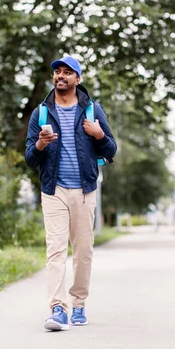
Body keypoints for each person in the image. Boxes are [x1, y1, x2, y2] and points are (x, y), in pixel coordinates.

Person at [25, 56, 117, 331]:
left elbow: (111, 151)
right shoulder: (41, 112)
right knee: (55, 250)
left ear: (78, 79)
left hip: (85, 190)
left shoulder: (92, 110)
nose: (60, 76)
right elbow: (30, 158)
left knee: (83, 252)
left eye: (67, 72)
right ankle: (57, 308)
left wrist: (99, 134)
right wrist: (40, 145)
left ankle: (78, 304)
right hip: (53, 191)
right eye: (57, 72)